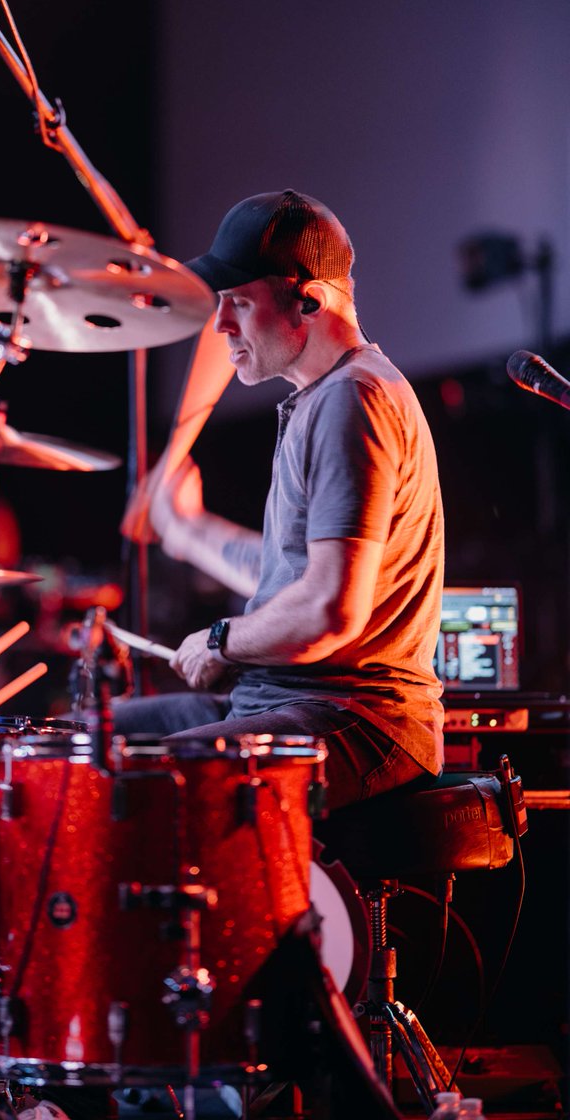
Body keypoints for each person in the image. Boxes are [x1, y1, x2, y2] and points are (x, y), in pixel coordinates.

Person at [114, 189, 445, 808]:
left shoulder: (354, 400)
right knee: (82, 742)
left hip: (355, 719)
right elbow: (291, 579)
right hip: (285, 700)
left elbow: (327, 613)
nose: (219, 326)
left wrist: (219, 640)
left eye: (239, 303)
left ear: (308, 301)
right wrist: (187, 530)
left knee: (146, 787)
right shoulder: (324, 397)